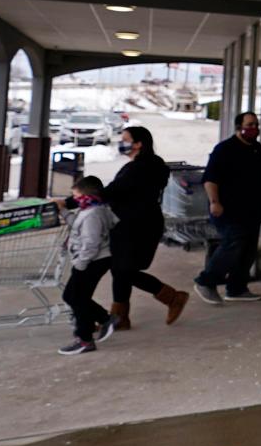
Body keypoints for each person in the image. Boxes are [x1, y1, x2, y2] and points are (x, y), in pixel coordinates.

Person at [102, 125, 189, 328]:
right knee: (120, 269)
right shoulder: (149, 165)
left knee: (124, 270)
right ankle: (120, 318)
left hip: (137, 226)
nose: (121, 143)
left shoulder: (139, 168)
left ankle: (173, 297)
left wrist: (77, 200)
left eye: (125, 140)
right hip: (134, 224)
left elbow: (112, 191)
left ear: (138, 144)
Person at [193, 111, 261, 304]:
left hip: (253, 210)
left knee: (248, 250)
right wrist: (214, 202)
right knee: (233, 244)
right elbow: (210, 179)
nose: (254, 129)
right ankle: (206, 281)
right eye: (250, 125)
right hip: (229, 209)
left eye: (256, 125)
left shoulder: (256, 148)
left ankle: (237, 288)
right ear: (238, 127)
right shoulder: (225, 150)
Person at [58, 176, 119, 355]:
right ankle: (105, 319)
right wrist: (63, 211)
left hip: (93, 261)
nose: (74, 200)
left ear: (87, 195)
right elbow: (77, 226)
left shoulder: (93, 214)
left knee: (76, 298)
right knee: (73, 295)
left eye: (76, 196)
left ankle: (85, 339)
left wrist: (81, 264)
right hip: (92, 260)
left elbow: (91, 243)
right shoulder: (89, 209)